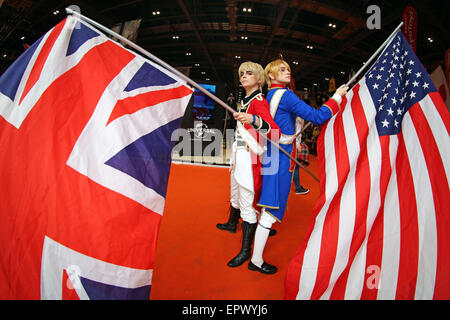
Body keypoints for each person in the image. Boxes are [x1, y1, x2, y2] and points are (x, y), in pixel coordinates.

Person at [248, 59, 348, 274]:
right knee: (270, 210)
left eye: (289, 70)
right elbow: (318, 116)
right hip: (281, 157)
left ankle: (254, 255)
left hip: (272, 155)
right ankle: (255, 260)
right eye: (282, 70)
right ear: (271, 75)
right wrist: (337, 96)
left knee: (268, 206)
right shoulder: (286, 95)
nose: (287, 73)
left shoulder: (270, 95)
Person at [216, 61, 280, 268]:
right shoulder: (246, 98)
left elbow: (273, 130)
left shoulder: (259, 100)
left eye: (249, 73)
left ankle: (246, 252)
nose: (243, 76)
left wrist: (253, 118)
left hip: (250, 157)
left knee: (246, 201)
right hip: (240, 153)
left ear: (259, 79)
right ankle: (232, 223)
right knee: (235, 192)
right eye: (241, 73)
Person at [292, 117, 309, 195]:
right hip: (293, 143)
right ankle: (298, 188)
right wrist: (297, 143)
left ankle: (298, 187)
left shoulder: (299, 117)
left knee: (295, 166)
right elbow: (295, 131)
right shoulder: (296, 117)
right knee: (295, 166)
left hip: (294, 142)